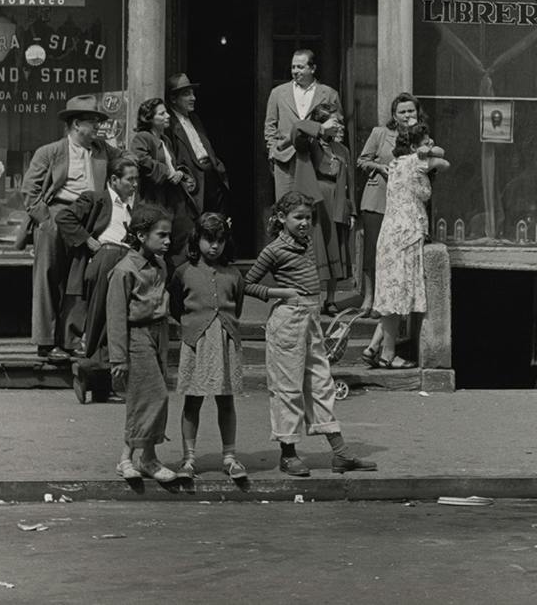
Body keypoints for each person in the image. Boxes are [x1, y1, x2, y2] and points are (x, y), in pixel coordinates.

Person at [245, 192, 377, 477]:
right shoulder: (274, 250)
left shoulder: (306, 244)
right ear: (282, 218)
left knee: (320, 384)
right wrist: (278, 293)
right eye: (298, 218)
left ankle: (340, 453)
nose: (305, 223)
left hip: (311, 319)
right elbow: (247, 283)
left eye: (308, 218)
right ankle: (288, 454)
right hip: (287, 321)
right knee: (288, 388)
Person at [21, 94, 119, 361]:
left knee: (79, 280)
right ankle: (44, 342)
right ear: (77, 124)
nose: (98, 126)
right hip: (57, 214)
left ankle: (69, 340)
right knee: (48, 277)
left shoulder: (102, 150)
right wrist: (46, 221)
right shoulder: (50, 152)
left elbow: (127, 164)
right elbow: (29, 190)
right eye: (93, 121)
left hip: (89, 219)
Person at [168, 213, 248, 480]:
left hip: (225, 341)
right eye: (209, 240)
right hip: (196, 343)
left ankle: (230, 457)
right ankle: (188, 459)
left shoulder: (234, 274)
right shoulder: (183, 273)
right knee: (193, 401)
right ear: (197, 240)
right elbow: (176, 307)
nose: (215, 246)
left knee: (226, 400)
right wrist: (192, 327)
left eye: (220, 240)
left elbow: (237, 304)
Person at [365, 122, 450, 369]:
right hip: (406, 233)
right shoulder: (415, 162)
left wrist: (428, 149)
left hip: (391, 232)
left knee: (393, 293)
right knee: (397, 296)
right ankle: (388, 355)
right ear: (413, 146)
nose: (431, 145)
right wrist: (425, 155)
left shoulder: (395, 163)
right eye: (426, 142)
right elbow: (445, 163)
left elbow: (439, 152)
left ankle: (376, 348)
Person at [58, 155, 138, 396]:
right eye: (129, 180)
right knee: (99, 319)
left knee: (114, 321)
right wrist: (88, 241)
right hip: (104, 259)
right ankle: (87, 367)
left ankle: (97, 381)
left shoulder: (132, 206)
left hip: (126, 264)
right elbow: (64, 217)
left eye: (136, 179)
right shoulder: (96, 199)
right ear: (114, 180)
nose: (134, 184)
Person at [107, 202, 177, 483]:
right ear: (140, 235)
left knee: (153, 397)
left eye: (169, 235)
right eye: (161, 235)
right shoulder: (124, 270)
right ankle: (128, 458)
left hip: (159, 334)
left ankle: (146, 458)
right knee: (152, 395)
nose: (167, 241)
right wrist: (118, 358)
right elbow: (115, 317)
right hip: (136, 336)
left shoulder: (159, 265)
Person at [283, 102, 355, 315]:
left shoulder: (341, 149)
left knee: (335, 247)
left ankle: (330, 299)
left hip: (337, 200)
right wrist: (320, 128)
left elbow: (349, 182)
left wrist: (351, 210)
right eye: (335, 121)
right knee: (315, 248)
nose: (339, 125)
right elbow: (297, 128)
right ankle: (309, 297)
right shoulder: (308, 143)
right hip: (315, 201)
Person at [358, 93, 424, 316]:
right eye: (402, 112)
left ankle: (390, 301)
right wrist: (379, 168)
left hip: (405, 204)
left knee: (397, 255)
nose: (407, 116)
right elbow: (362, 160)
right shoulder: (380, 133)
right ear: (394, 115)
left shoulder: (422, 137)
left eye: (410, 111)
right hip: (378, 198)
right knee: (373, 251)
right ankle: (370, 297)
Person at [263, 48, 342, 198]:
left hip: (317, 158)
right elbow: (270, 125)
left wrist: (333, 154)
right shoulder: (278, 93)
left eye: (300, 67)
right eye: (293, 67)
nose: (295, 71)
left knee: (313, 206)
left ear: (312, 68)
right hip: (286, 157)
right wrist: (272, 151)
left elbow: (338, 127)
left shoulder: (329, 93)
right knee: (286, 205)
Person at [131, 97, 197, 268]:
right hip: (154, 199)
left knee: (182, 234)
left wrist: (181, 173)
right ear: (150, 118)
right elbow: (140, 159)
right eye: (162, 113)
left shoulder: (165, 140)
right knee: (155, 239)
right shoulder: (142, 138)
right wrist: (167, 172)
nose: (167, 116)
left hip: (173, 199)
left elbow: (173, 167)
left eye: (166, 112)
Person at [165, 73, 230, 216]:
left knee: (216, 224)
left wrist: (217, 165)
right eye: (187, 94)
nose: (193, 98)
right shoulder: (168, 124)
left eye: (193, 94)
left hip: (211, 177)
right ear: (173, 98)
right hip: (193, 183)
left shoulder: (194, 118)